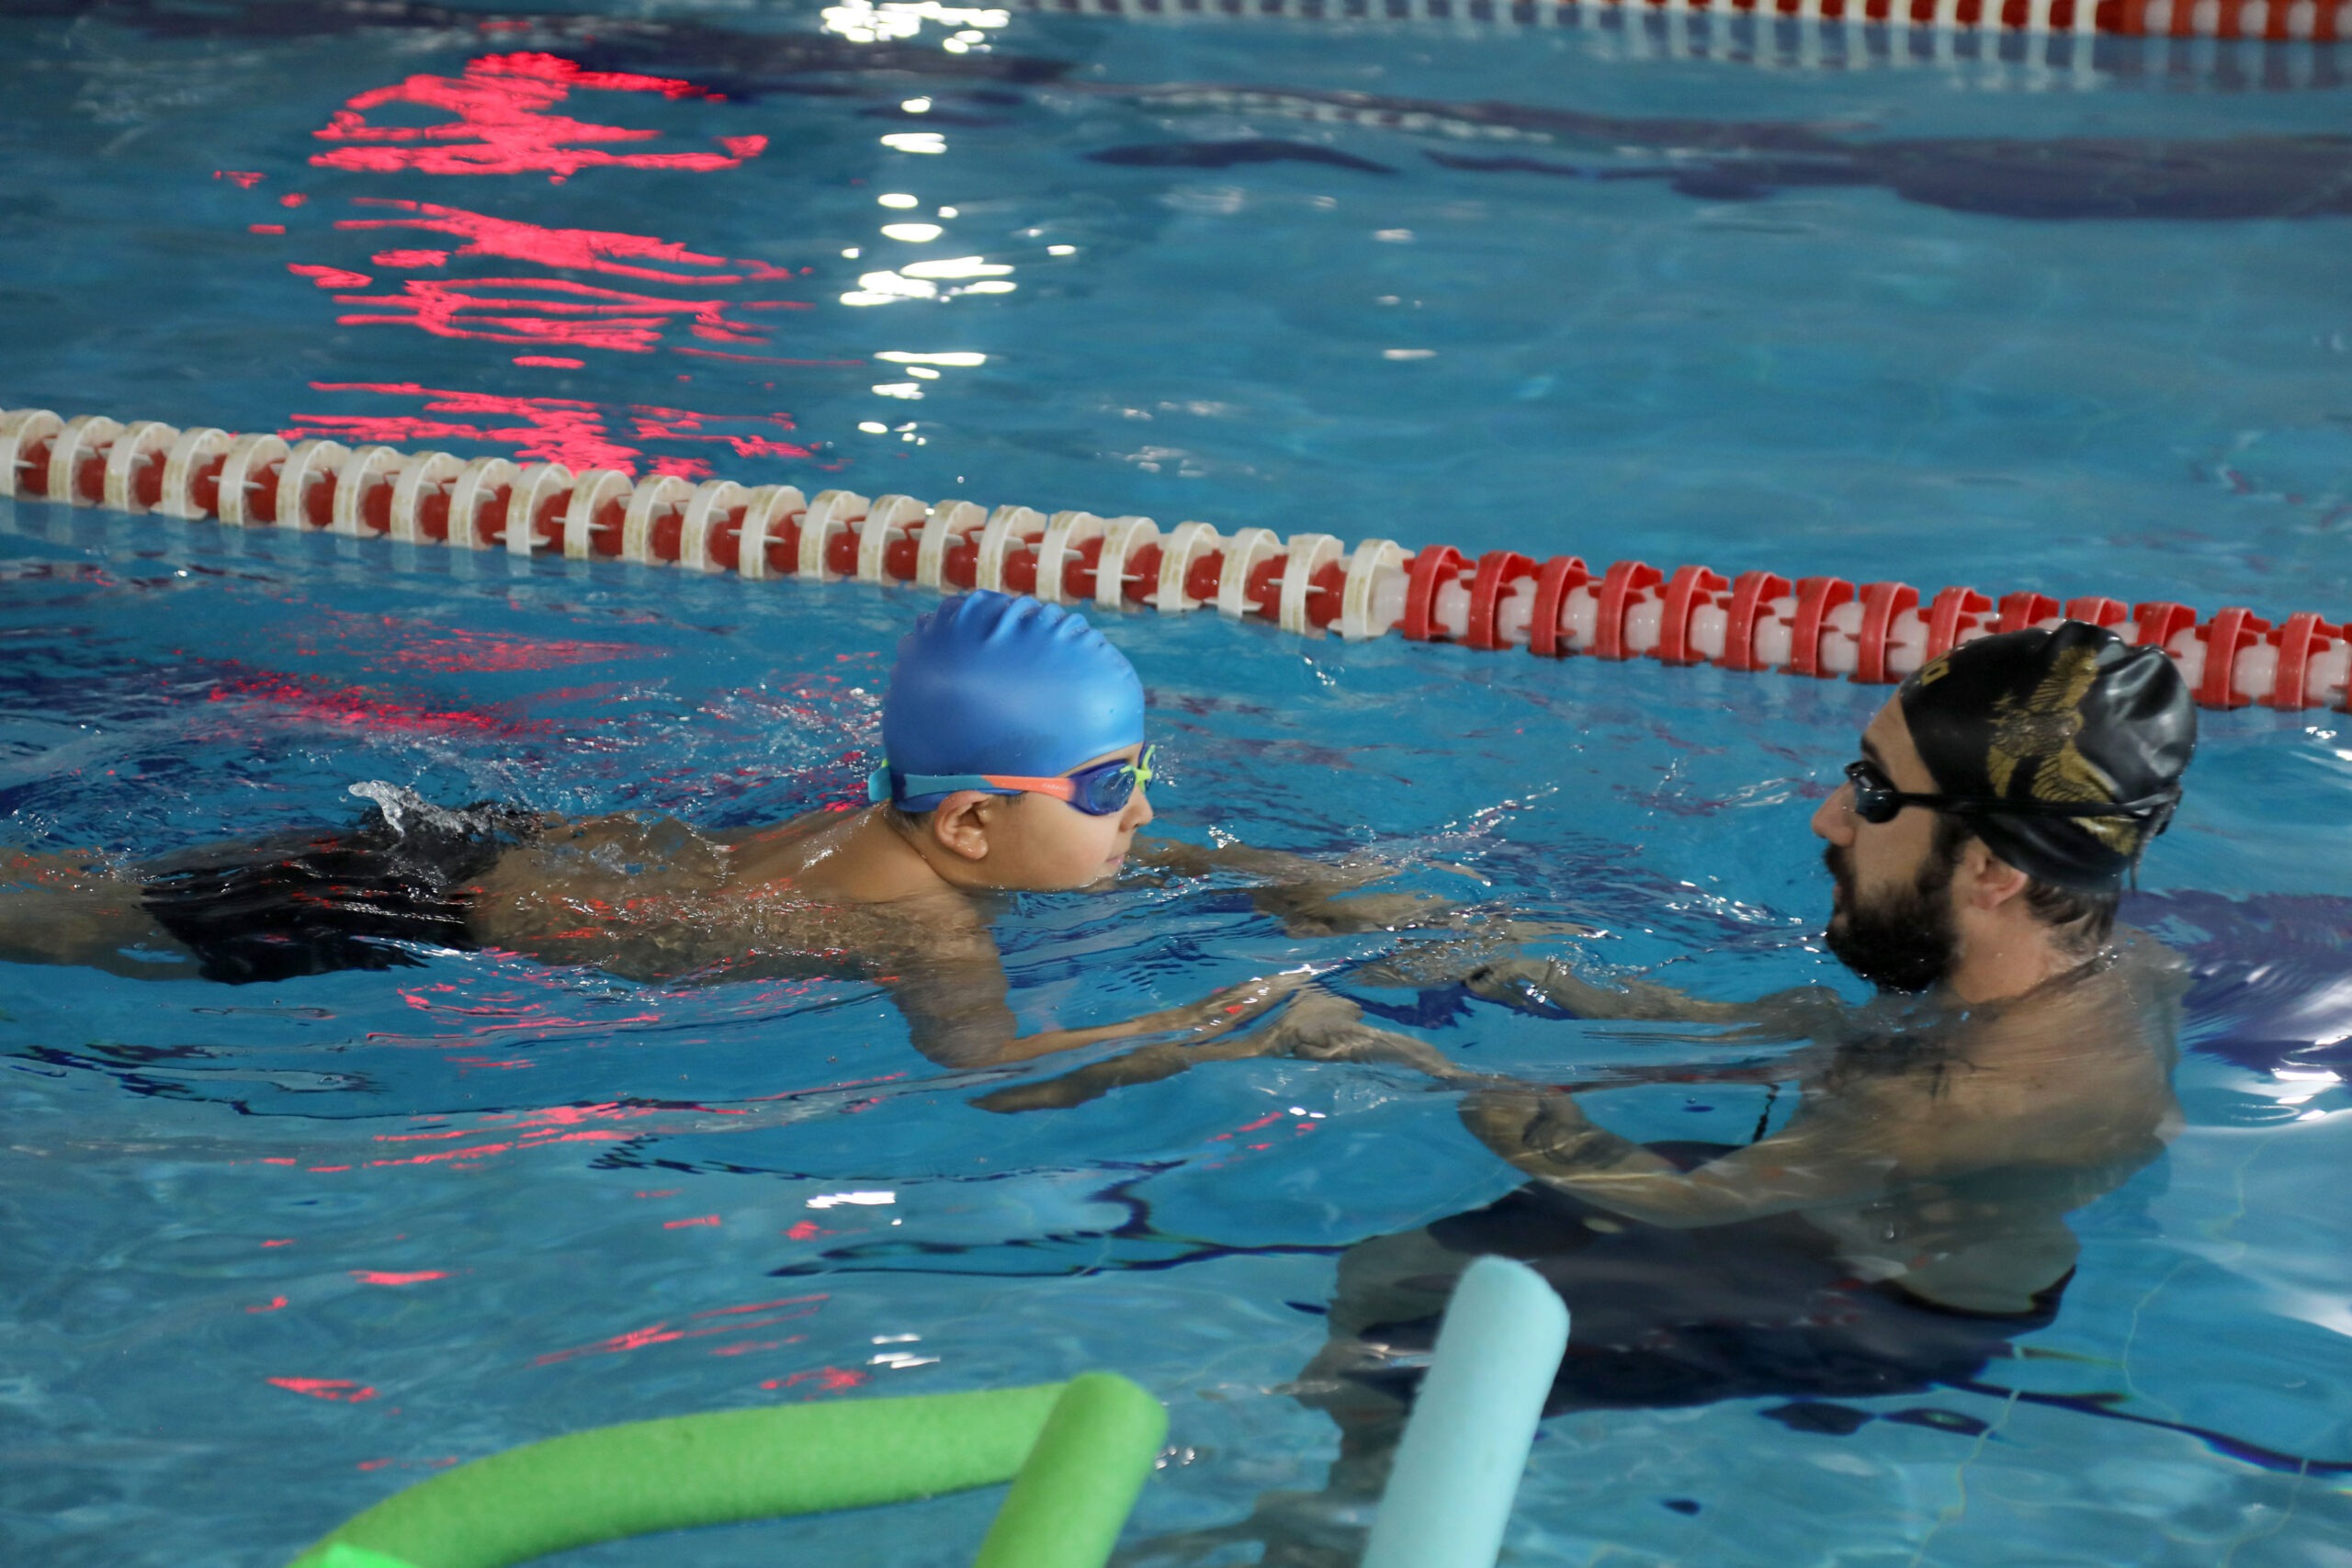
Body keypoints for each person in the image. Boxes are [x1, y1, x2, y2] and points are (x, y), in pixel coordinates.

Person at [1146, 621, 2201, 1562]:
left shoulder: (1974, 1094)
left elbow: (1678, 1202)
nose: (1829, 817)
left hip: (1868, 1302)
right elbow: (1810, 1040)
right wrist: (1499, 962)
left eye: (1874, 794)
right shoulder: (2100, 967)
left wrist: (1407, 1064)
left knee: (1415, 1315)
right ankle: (1357, 1515)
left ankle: (1342, 1543)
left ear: (1995, 870)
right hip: (1842, 1210)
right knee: (1403, 1270)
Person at [0, 591, 1425, 1069]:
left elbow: (1088, 852)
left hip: (472, 844)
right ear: (977, 825)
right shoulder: (915, 921)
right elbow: (1001, 1074)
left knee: (91, 884)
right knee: (71, 917)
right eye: (1115, 786)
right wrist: (1234, 1020)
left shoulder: (892, 827)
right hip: (391, 909)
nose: (1149, 806)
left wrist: (1270, 878)